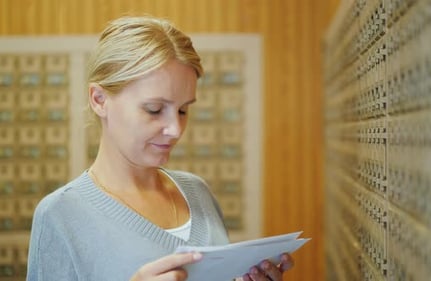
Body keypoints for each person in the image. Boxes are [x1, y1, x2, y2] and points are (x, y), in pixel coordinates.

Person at [27, 16, 294, 281]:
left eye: (183, 110)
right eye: (154, 110)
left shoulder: (198, 193)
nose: (175, 129)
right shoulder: (60, 215)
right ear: (99, 100)